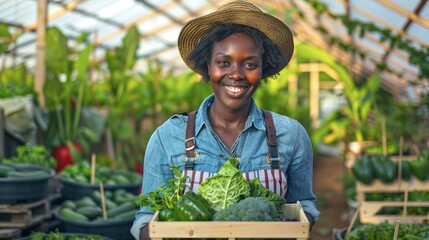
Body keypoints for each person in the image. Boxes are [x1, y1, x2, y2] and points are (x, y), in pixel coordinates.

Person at [130, 1, 319, 239]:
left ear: (263, 69)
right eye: (223, 62)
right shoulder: (168, 136)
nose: (237, 74)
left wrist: (296, 225)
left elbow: (304, 206)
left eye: (250, 64)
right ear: (208, 66)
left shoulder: (291, 135)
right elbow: (146, 217)